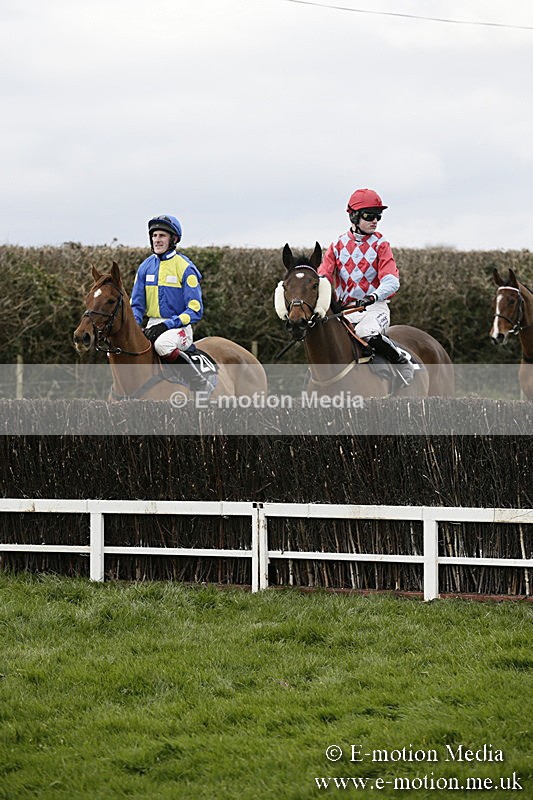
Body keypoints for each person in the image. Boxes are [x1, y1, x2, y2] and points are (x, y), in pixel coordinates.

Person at [318, 188, 414, 385]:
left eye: (378, 216)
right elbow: (323, 277)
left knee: (365, 332)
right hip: (346, 311)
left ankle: (401, 361)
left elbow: (391, 280)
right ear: (354, 216)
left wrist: (372, 297)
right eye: (369, 216)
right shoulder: (337, 245)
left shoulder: (381, 244)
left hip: (374, 308)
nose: (375, 221)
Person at [130, 214, 216, 392]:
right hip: (152, 325)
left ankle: (200, 384)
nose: (157, 240)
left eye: (162, 235)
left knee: (163, 345)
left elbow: (195, 310)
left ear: (174, 239)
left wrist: (167, 325)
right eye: (154, 235)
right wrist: (135, 326)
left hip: (179, 328)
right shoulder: (145, 267)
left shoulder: (186, 268)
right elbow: (136, 305)